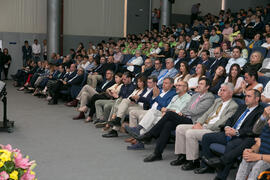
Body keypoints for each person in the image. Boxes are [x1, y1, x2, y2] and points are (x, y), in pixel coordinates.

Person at [131, 77, 215, 162]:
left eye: (201, 84)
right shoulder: (195, 95)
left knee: (170, 114)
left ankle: (150, 135)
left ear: (207, 87)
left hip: (193, 120)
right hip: (184, 116)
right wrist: (183, 112)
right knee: (168, 124)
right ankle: (157, 153)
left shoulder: (209, 97)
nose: (198, 85)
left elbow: (196, 111)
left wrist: (183, 112)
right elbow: (186, 107)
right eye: (198, 83)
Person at [171, 83, 238, 171]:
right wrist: (199, 123)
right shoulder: (217, 101)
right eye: (220, 90)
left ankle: (193, 161)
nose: (221, 92)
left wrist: (204, 127)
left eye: (224, 90)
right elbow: (207, 113)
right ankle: (182, 155)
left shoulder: (233, 106)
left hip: (213, 129)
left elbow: (223, 121)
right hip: (204, 125)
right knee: (180, 128)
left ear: (230, 93)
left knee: (190, 133)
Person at [201, 89, 264, 180]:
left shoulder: (260, 111)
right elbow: (231, 119)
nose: (246, 98)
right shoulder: (242, 107)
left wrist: (236, 132)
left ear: (257, 98)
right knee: (206, 137)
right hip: (230, 132)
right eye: (245, 96)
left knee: (231, 145)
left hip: (243, 137)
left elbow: (254, 129)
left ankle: (221, 176)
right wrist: (227, 128)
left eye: (249, 96)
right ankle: (207, 166)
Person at [125, 80, 191, 150]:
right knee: (152, 111)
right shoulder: (175, 97)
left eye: (179, 86)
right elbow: (165, 108)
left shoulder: (188, 98)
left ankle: (140, 141)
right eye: (176, 85)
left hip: (173, 118)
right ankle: (138, 129)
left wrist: (166, 111)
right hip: (165, 114)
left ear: (185, 88)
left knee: (150, 120)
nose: (177, 87)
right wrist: (165, 111)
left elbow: (179, 112)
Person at [235, 106, 270, 180]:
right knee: (247, 159)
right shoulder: (267, 127)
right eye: (269, 118)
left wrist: (259, 156)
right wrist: (252, 151)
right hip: (262, 157)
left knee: (260, 164)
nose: (268, 121)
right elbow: (259, 144)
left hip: (266, 160)